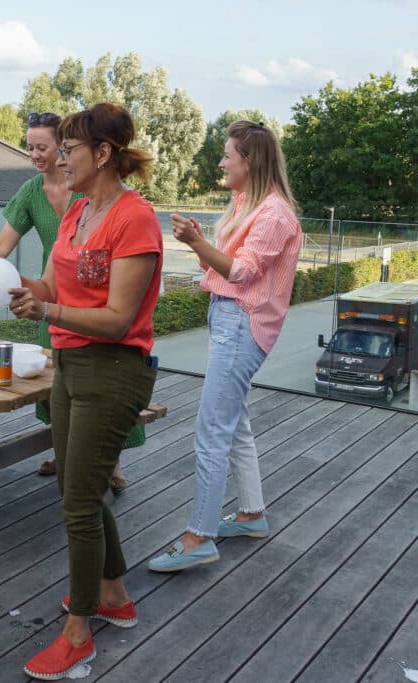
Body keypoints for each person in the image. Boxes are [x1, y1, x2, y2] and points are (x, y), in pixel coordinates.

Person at [7, 103, 161, 679]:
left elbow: (119, 319)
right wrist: (9, 280)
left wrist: (47, 311)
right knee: (79, 489)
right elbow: (51, 286)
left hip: (114, 369)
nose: (61, 158)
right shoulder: (76, 211)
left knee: (77, 502)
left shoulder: (135, 218)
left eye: (70, 149)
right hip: (69, 365)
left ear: (103, 154)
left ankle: (78, 633)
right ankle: (114, 595)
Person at [0, 112, 140, 489]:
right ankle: (66, 451)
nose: (35, 154)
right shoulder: (33, 192)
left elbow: (120, 316)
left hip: (89, 299)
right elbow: (0, 248)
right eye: (30, 147)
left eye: (46, 147)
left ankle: (107, 461)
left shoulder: (96, 193)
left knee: (98, 389)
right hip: (51, 287)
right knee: (51, 378)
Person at [148, 120, 301, 572]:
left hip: (241, 325)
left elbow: (240, 273)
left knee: (212, 430)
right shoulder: (245, 203)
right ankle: (252, 514)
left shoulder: (273, 215)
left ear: (248, 162)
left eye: (228, 155)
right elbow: (223, 268)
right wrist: (200, 245)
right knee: (234, 424)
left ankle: (200, 536)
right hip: (229, 317)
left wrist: (196, 241)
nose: (221, 163)